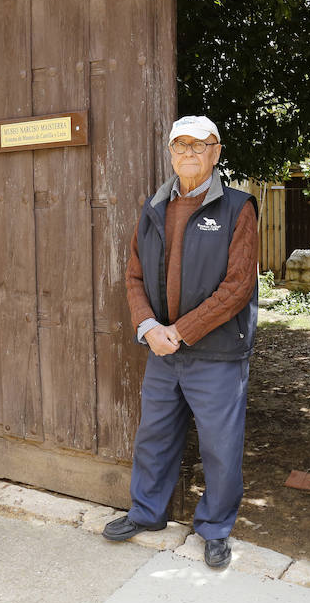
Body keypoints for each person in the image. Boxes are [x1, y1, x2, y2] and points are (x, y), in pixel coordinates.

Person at [102, 115, 259, 569]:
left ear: (216, 151)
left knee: (219, 444)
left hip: (216, 352)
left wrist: (181, 331)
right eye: (180, 145)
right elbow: (133, 275)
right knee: (153, 435)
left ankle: (214, 528)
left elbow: (237, 286)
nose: (189, 153)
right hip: (162, 349)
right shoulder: (153, 208)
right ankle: (147, 513)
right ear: (170, 153)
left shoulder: (237, 207)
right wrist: (149, 326)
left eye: (199, 145)